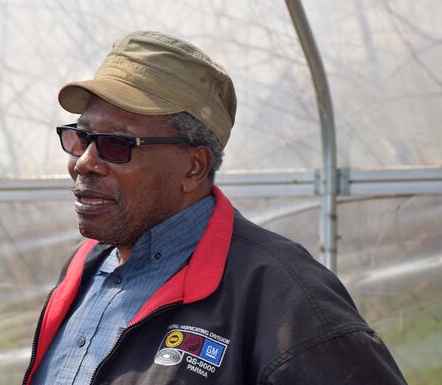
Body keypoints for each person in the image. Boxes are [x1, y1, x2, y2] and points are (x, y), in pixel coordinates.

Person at [23, 31, 406, 384]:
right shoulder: (87, 266)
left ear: (194, 167)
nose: (84, 163)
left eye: (116, 144)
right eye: (81, 138)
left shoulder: (288, 299)